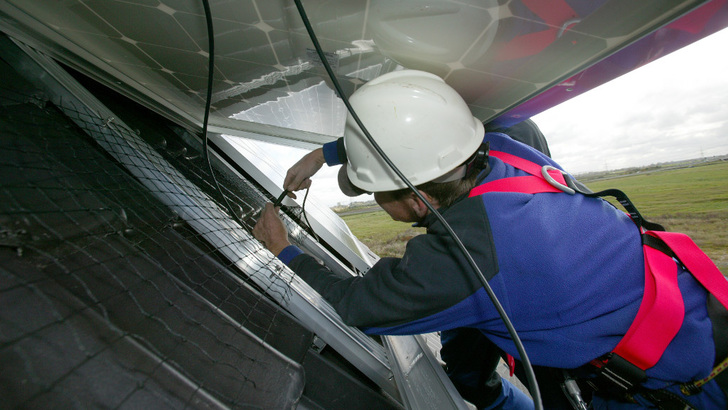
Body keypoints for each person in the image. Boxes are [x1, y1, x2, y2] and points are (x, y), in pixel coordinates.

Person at [253, 70, 728, 409]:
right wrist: (329, 152)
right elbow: (431, 125)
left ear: (416, 201)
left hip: (678, 389)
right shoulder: (506, 144)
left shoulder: (465, 257)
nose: (372, 197)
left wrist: (284, 250)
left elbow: (360, 306)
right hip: (703, 311)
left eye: (374, 190)